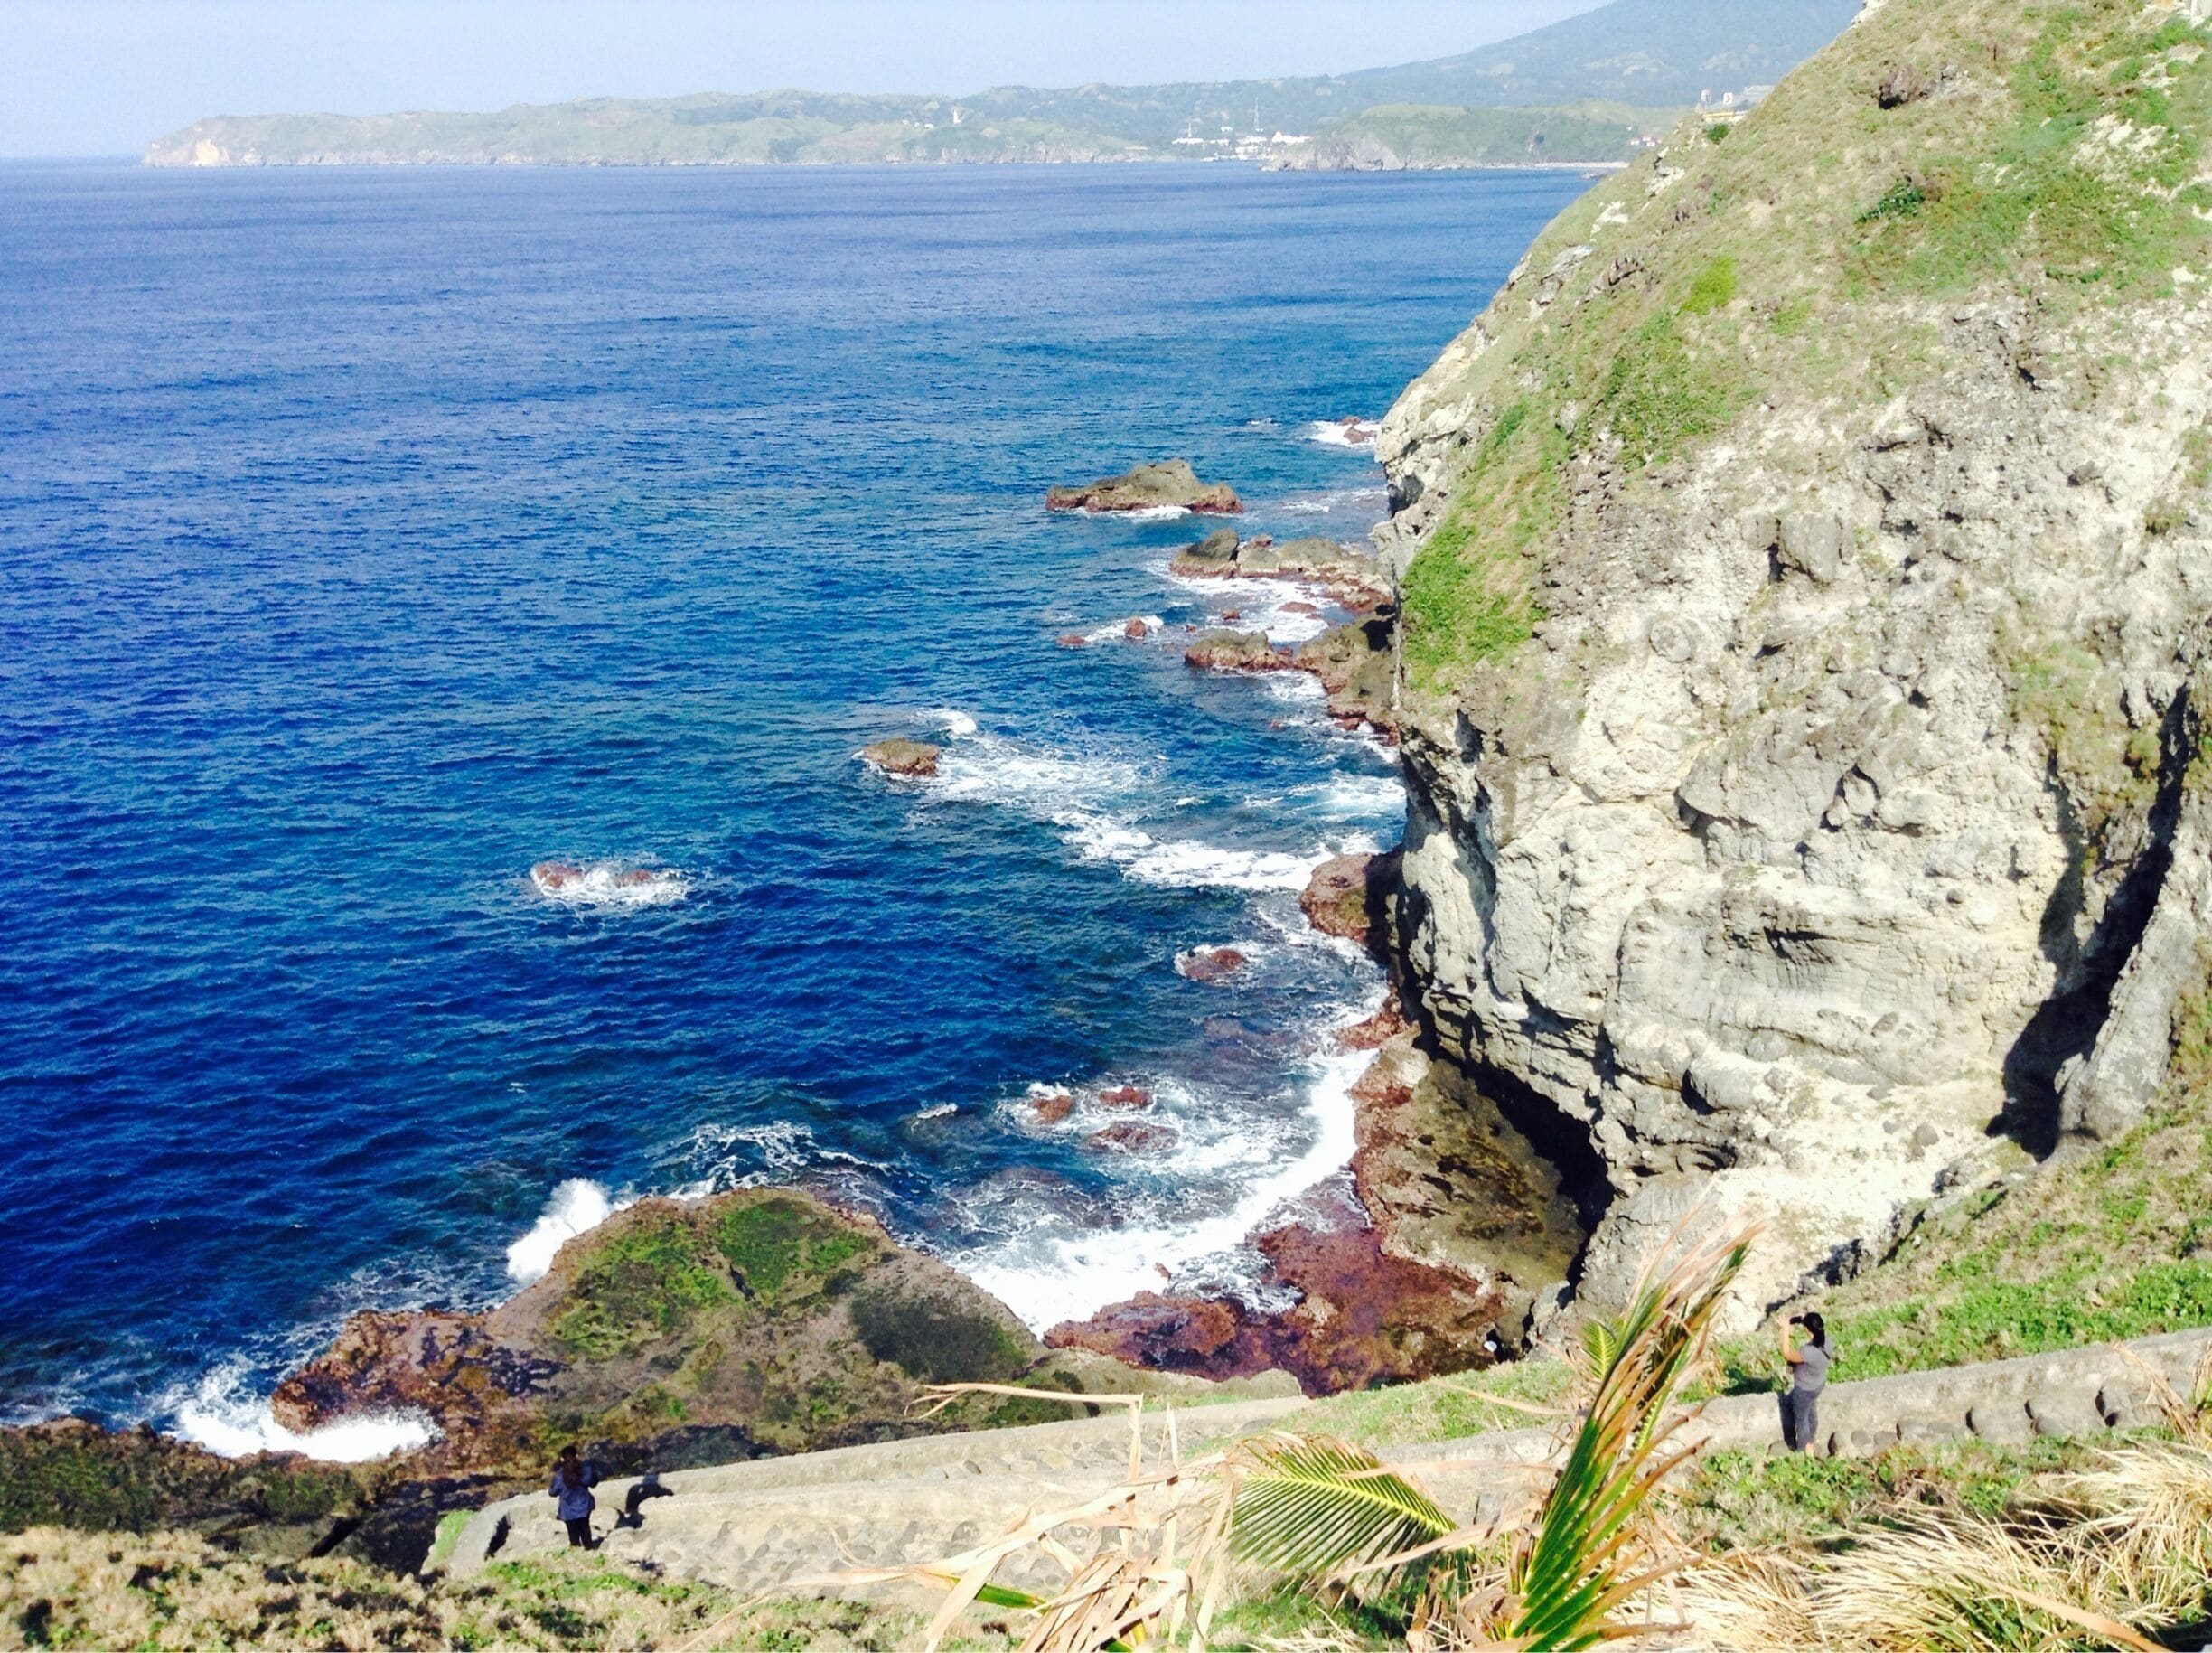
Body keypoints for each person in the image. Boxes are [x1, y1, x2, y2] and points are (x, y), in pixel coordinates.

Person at [1779, 1311, 1832, 1453]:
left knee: (1802, 1420)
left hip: (1804, 1390)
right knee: (1812, 1414)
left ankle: (1803, 1450)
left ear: (1808, 1330)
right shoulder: (1828, 1342)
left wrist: (1785, 1331)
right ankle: (1811, 1442)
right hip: (1817, 1385)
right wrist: (1801, 1319)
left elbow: (1787, 1353)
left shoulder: (1808, 1352)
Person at [549, 1444, 601, 1548]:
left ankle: (576, 1550)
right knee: (585, 1529)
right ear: (577, 1456)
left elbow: (552, 1492)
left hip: (568, 1510)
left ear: (562, 1459)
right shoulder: (586, 1470)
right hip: (584, 1505)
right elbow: (594, 1483)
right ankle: (589, 1548)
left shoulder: (560, 1475)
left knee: (573, 1534)